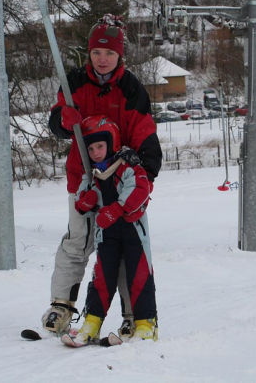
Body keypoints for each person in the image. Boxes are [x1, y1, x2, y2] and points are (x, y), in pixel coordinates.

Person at [44, 14, 162, 337]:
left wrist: (143, 177)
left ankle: (131, 313)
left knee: (125, 248)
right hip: (83, 179)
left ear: (120, 55)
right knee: (78, 241)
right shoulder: (75, 82)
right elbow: (55, 119)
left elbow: (145, 135)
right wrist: (63, 121)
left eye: (109, 53)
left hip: (121, 185)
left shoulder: (131, 89)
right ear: (89, 54)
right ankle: (62, 306)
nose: (103, 59)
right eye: (97, 52)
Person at [71, 116, 157, 344]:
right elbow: (80, 202)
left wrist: (118, 209)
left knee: (138, 277)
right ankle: (91, 322)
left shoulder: (128, 166)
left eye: (100, 146)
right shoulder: (92, 175)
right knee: (101, 279)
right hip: (106, 236)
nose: (95, 152)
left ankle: (146, 324)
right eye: (90, 148)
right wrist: (85, 202)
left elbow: (140, 187)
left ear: (112, 142)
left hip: (133, 233)